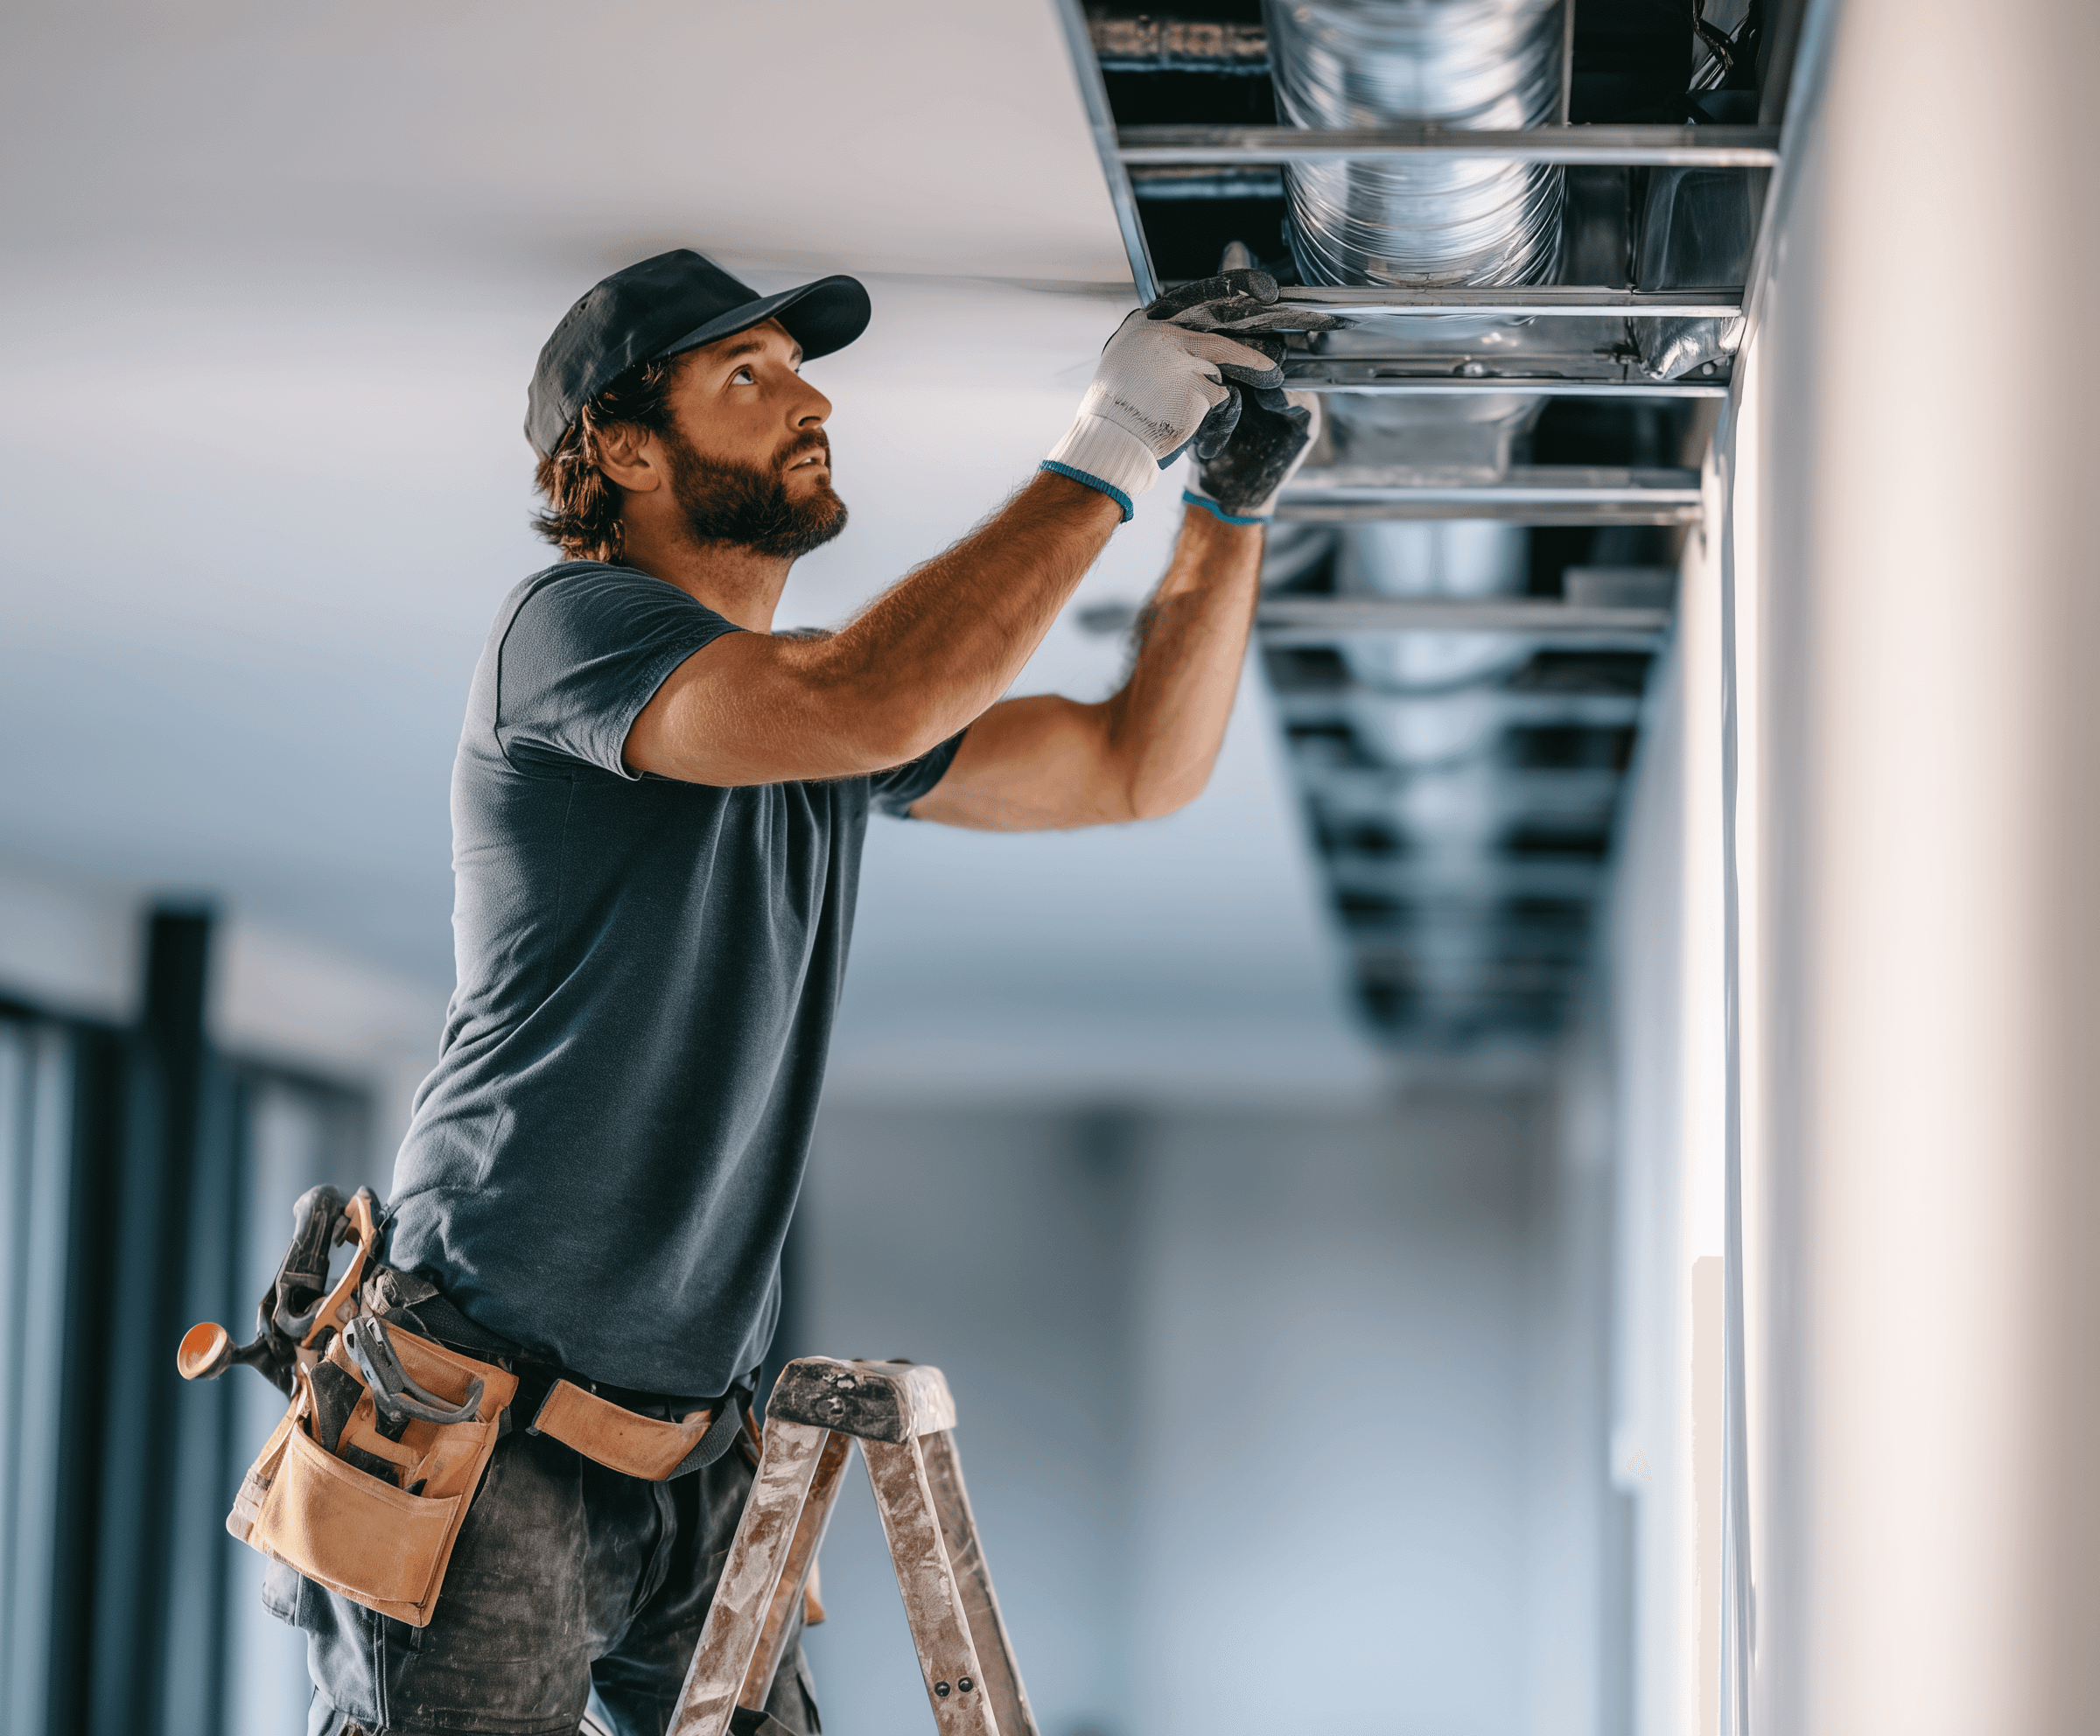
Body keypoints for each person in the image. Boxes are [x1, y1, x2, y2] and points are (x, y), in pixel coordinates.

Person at [277, 248, 1318, 1736]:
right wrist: (1108, 444)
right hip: (480, 1418)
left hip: (696, 1443)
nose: (809, 397)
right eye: (746, 378)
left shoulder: (805, 718)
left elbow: (1132, 764)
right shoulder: (566, 636)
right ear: (624, 451)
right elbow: (861, 692)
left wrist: (1228, 508)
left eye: (797, 367)